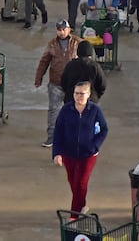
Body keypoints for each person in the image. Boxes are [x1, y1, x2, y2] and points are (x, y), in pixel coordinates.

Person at [52, 81, 108, 215]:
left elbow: (104, 129)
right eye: (76, 93)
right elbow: (58, 131)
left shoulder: (95, 110)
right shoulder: (66, 110)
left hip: (88, 154)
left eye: (82, 94)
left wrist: (94, 145)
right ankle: (81, 206)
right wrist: (57, 153)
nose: (78, 96)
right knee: (73, 182)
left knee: (81, 183)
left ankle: (74, 215)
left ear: (88, 94)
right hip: (68, 153)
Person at [34, 20, 83, 147]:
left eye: (64, 29)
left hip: (73, 85)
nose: (62, 32)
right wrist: (38, 78)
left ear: (69, 29)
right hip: (56, 83)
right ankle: (52, 138)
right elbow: (44, 61)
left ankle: (73, 137)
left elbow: (86, 59)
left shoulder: (78, 42)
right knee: (53, 111)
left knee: (73, 111)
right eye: (59, 30)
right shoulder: (52, 44)